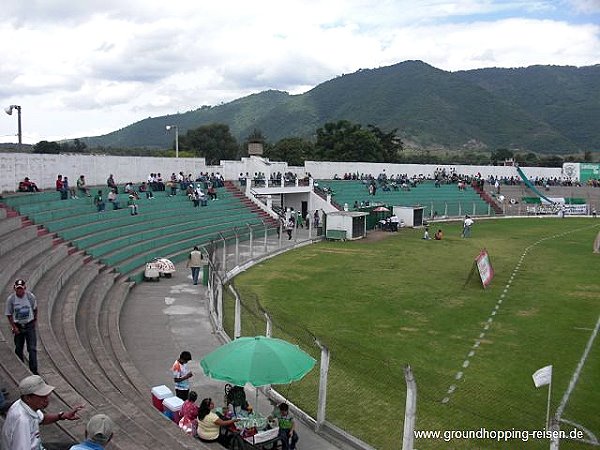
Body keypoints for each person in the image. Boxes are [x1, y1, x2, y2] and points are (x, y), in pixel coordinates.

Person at [1, 375, 83, 450]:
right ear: (28, 398)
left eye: (47, 395)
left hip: (38, 446)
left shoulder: (23, 404)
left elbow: (42, 419)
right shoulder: (22, 421)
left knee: (76, 447)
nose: (46, 400)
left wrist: (62, 416)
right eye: (42, 396)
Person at [5, 279, 39, 374]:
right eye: (18, 289)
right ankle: (23, 369)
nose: (20, 291)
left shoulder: (30, 297)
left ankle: (34, 370)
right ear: (15, 288)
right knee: (19, 348)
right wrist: (14, 327)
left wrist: (34, 320)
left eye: (21, 288)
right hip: (18, 326)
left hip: (29, 325)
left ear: (25, 288)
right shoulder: (11, 299)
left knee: (32, 348)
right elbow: (9, 314)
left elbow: (35, 309)